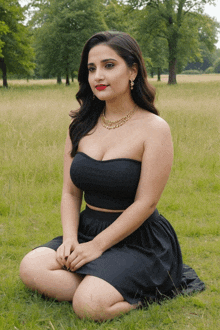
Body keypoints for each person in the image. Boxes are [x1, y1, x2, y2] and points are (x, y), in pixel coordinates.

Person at [19, 31, 198, 322]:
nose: (98, 76)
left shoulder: (154, 128)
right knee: (31, 267)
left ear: (133, 70)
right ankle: (98, 285)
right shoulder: (80, 125)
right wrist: (70, 239)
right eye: (92, 68)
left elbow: (146, 203)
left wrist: (96, 247)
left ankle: (148, 289)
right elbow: (70, 192)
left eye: (109, 65)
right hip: (87, 228)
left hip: (138, 239)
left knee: (89, 307)